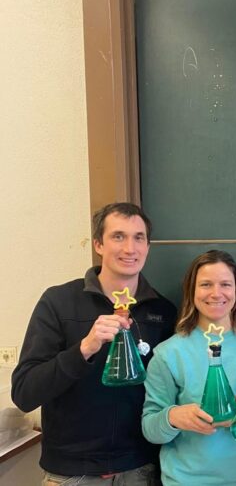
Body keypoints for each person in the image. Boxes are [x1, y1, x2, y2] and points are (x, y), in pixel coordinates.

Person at [12, 202, 177, 485]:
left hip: (140, 470)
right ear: (98, 244)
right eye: (118, 236)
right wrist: (84, 348)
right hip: (71, 474)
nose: (130, 248)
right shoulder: (58, 302)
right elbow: (25, 393)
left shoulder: (163, 312)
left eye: (139, 238)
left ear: (148, 246)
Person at [141, 250, 236, 486]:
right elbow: (150, 428)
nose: (216, 293)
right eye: (206, 284)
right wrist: (174, 417)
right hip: (185, 481)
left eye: (225, 284)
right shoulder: (169, 353)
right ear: (192, 290)